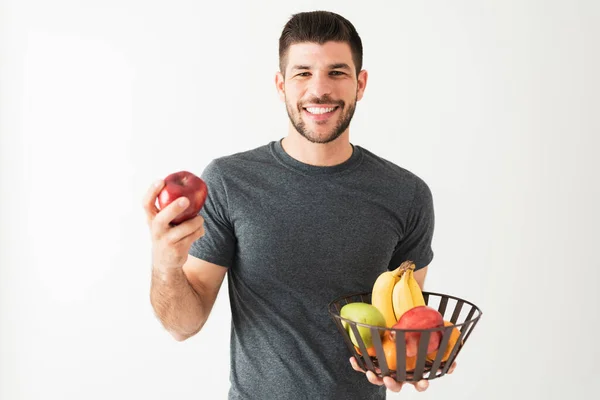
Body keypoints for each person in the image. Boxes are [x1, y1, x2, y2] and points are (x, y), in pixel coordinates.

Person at [143, 10, 455, 399]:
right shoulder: (229, 182)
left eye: (337, 73)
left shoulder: (406, 194)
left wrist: (408, 364)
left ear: (361, 84)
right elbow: (182, 326)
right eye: (303, 73)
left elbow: (400, 324)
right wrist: (166, 266)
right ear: (281, 85)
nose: (319, 89)